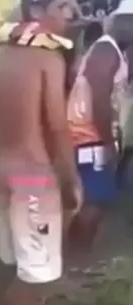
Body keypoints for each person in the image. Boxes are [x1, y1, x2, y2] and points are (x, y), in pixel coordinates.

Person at [0, 0, 82, 305]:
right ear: (36, 10)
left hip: (5, 172)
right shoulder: (48, 59)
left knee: (9, 253)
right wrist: (69, 180)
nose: (72, 13)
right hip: (36, 178)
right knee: (37, 268)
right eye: (63, 5)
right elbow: (57, 126)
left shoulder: (0, 54)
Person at [66, 13, 132, 263]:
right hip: (89, 138)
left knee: (94, 200)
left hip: (90, 137)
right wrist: (108, 142)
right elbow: (99, 99)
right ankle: (77, 257)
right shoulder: (107, 51)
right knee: (94, 202)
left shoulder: (112, 51)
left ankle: (75, 255)